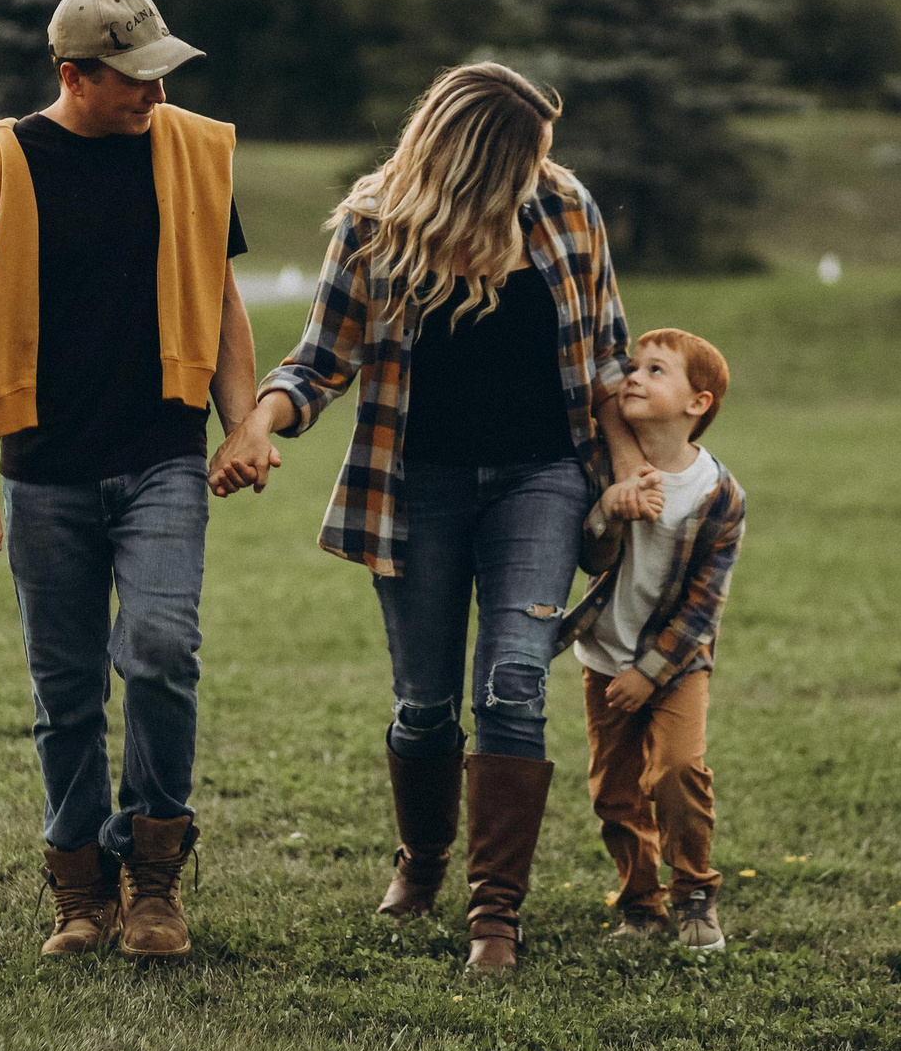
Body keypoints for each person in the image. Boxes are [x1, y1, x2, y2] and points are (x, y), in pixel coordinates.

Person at [212, 63, 647, 973]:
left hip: (542, 477)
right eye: (528, 155)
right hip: (418, 485)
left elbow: (608, 355)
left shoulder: (566, 210)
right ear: (477, 163)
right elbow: (321, 361)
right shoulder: (378, 225)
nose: (546, 168)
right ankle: (423, 858)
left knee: (514, 683)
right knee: (424, 704)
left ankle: (497, 913)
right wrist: (257, 420)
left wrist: (638, 474)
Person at [0, 0, 257, 961]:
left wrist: (240, 423)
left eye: (162, 75)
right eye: (132, 80)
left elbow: (225, 303)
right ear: (73, 75)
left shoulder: (196, 153)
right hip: (45, 471)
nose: (154, 95)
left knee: (159, 650)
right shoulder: (0, 169)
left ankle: (153, 878)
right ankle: (81, 887)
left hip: (161, 455)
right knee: (64, 687)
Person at [558, 327, 745, 953]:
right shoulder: (604, 462)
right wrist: (610, 507)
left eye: (656, 371)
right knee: (614, 791)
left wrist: (652, 671)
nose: (633, 377)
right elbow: (588, 556)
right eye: (632, 367)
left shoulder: (720, 495)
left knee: (677, 769)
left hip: (676, 663)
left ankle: (695, 894)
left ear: (698, 402)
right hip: (604, 657)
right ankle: (641, 904)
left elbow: (704, 604)